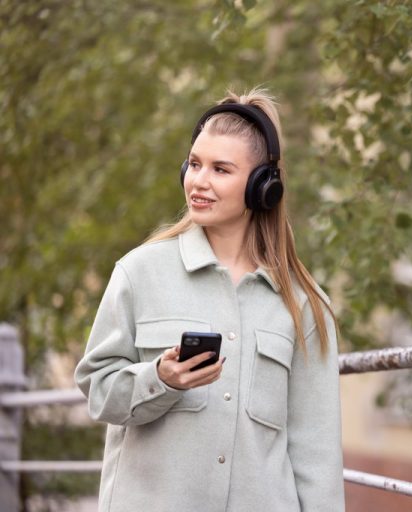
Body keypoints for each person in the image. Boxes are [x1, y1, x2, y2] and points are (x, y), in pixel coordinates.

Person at [74, 88, 345, 512]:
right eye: (195, 164)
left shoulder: (305, 305)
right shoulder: (139, 272)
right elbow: (98, 391)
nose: (199, 181)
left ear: (262, 187)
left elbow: (318, 456)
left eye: (221, 169)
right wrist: (159, 380)